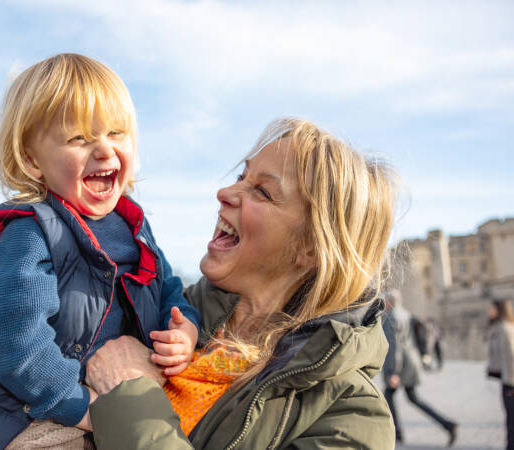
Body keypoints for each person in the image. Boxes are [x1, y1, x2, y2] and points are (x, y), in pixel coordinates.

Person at [0, 53, 201, 449]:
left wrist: (184, 329)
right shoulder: (31, 233)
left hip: (102, 392)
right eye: (79, 138)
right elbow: (15, 343)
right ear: (33, 160)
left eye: (116, 133)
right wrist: (80, 406)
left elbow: (167, 288)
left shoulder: (134, 228)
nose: (104, 150)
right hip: (31, 409)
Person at [84, 118, 398, 448]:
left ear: (312, 247)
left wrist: (130, 393)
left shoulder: (351, 417)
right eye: (240, 177)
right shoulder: (160, 313)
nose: (224, 193)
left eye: (262, 191)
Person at [382, 289, 457, 445]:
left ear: (389, 302)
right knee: (411, 397)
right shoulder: (406, 314)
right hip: (411, 362)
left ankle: (397, 432)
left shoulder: (391, 317)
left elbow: (394, 347)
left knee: (390, 396)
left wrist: (392, 372)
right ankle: (447, 424)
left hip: (401, 366)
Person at [487, 299, 514, 449]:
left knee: (511, 420)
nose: (488, 311)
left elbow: (512, 356)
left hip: (511, 381)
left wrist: (511, 383)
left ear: (499, 310)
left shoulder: (504, 328)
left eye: (491, 308)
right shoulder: (498, 328)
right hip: (506, 379)